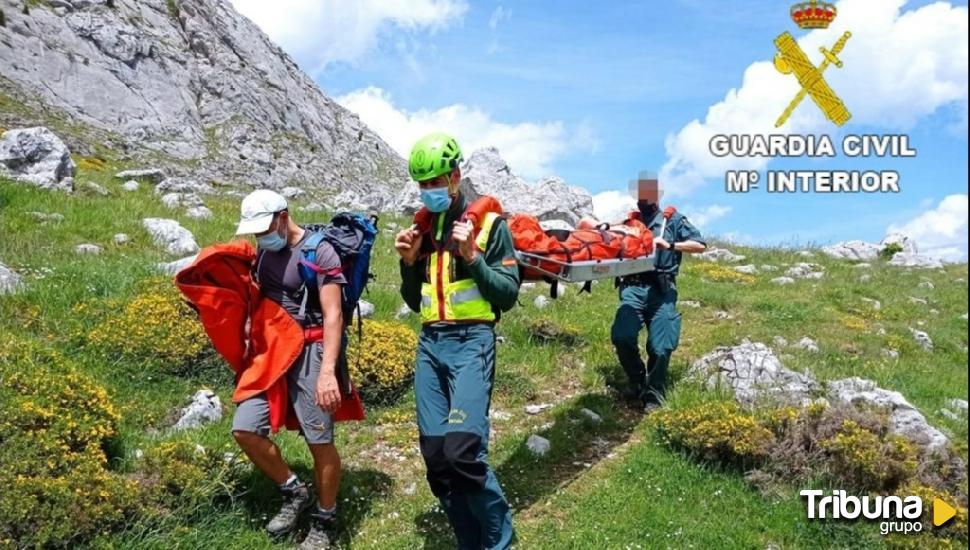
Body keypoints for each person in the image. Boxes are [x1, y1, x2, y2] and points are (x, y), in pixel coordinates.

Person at [395, 133, 519, 549]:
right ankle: (468, 540)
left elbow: (507, 294)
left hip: (473, 342)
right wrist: (409, 264)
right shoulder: (423, 229)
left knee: (463, 451)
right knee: (436, 457)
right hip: (430, 345)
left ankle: (500, 540)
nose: (429, 191)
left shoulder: (490, 226)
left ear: (455, 176)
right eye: (422, 184)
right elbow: (416, 302)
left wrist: (472, 258)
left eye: (435, 182)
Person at [232, 189, 346, 549]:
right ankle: (295, 491)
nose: (260, 236)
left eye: (264, 227)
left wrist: (327, 372)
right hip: (272, 353)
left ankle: (325, 519)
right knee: (245, 427)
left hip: (311, 352)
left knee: (319, 439)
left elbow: (333, 315)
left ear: (284, 215)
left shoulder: (320, 251)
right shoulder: (266, 249)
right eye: (254, 231)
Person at [610, 173, 707, 410]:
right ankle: (636, 380)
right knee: (622, 335)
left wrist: (671, 245)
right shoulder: (628, 223)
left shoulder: (673, 221)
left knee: (661, 346)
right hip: (632, 286)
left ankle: (654, 392)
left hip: (661, 289)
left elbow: (700, 244)